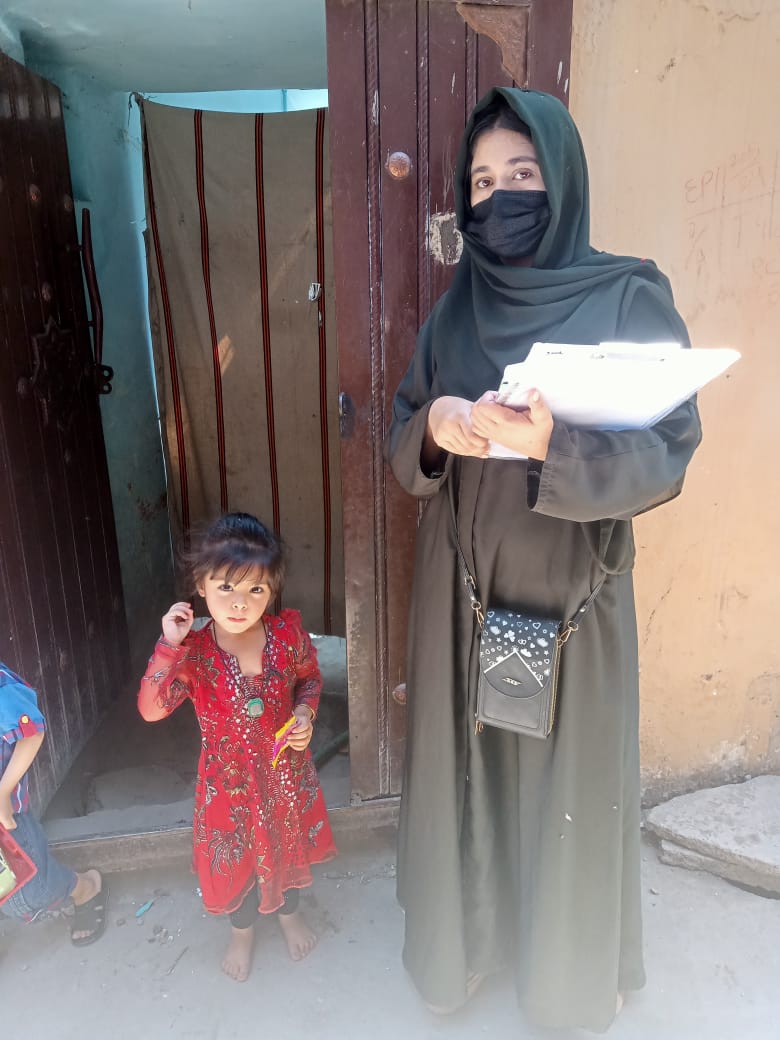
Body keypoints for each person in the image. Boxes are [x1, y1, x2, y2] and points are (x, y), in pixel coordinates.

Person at [385, 87, 702, 1032]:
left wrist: (547, 448)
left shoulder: (628, 294)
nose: (502, 197)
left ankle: (572, 976)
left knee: (571, 784)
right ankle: (463, 954)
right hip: (462, 593)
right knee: (467, 770)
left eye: (522, 173)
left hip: (577, 593)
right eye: (483, 183)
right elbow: (405, 438)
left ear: (560, 179)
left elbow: (667, 453)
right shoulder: (455, 313)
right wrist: (438, 424)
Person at [137, 512, 337, 982]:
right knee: (236, 864)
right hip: (227, 787)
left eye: (256, 589)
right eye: (225, 587)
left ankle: (289, 915)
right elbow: (151, 709)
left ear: (272, 591)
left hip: (285, 775)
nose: (240, 602)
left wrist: (305, 715)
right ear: (200, 586)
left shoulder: (287, 637)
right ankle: (242, 932)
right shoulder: (194, 652)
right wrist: (168, 646)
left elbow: (310, 679)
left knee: (286, 846)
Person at [0, 662, 108, 944]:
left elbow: (32, 732)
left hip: (4, 818)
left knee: (30, 890)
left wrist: (3, 792)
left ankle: (86, 888)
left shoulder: (2, 686)